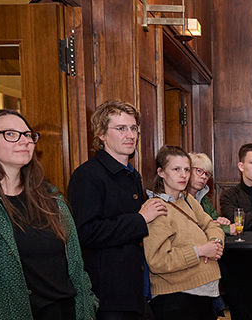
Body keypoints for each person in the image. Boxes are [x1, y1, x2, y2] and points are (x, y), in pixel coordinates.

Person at [0, 110, 97, 319]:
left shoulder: (50, 196)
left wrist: (88, 305)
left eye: (28, 135)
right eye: (11, 134)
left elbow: (76, 265)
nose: (25, 141)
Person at [68, 99, 166, 319]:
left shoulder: (132, 174)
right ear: (101, 134)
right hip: (108, 294)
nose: (130, 135)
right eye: (121, 128)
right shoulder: (88, 175)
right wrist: (141, 220)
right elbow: (85, 232)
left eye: (133, 128)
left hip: (135, 290)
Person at [141, 145, 225, 320]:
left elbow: (212, 225)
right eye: (176, 169)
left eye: (187, 169)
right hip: (176, 298)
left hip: (203, 294)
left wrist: (216, 243)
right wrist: (200, 251)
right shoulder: (155, 208)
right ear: (161, 172)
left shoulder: (187, 199)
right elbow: (157, 260)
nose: (183, 175)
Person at [188, 152, 234, 234]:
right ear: (188, 171)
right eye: (199, 171)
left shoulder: (204, 199)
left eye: (207, 174)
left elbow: (215, 220)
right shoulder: (178, 197)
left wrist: (220, 221)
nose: (203, 177)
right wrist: (227, 229)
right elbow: (195, 228)